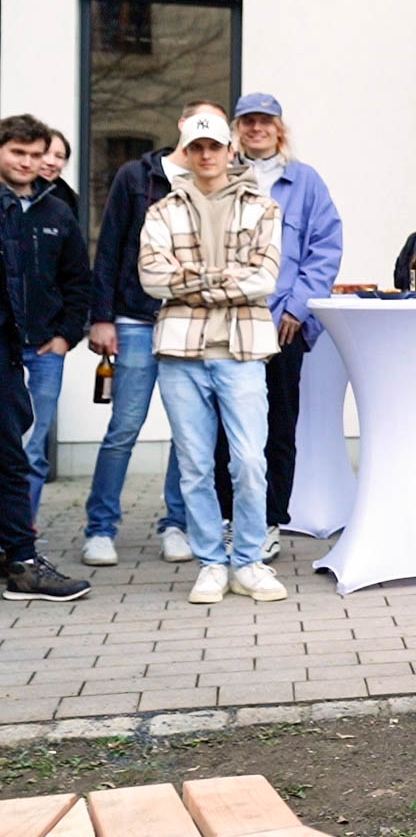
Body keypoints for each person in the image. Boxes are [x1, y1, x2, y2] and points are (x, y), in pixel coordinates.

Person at [139, 109, 287, 604]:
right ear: (185, 152)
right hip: (180, 352)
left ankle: (247, 560)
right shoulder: (161, 212)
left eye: (214, 147)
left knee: (249, 461)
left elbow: (264, 279)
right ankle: (210, 562)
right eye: (196, 148)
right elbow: (152, 279)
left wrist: (192, 281)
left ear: (229, 150)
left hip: (242, 349)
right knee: (195, 466)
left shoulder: (262, 208)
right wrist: (223, 279)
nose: (206, 156)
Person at [207, 93, 342, 562]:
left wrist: (297, 309)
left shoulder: (305, 182)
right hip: (229, 323)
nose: (256, 129)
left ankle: (268, 523)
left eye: (265, 122)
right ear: (237, 130)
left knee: (278, 426)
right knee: (227, 428)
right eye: (248, 122)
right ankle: (228, 519)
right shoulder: (221, 177)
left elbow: (325, 248)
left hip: (282, 326)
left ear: (279, 129)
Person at [85, 104, 205, 565]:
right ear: (182, 126)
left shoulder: (213, 182)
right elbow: (111, 244)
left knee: (187, 432)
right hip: (135, 320)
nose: (204, 145)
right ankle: (99, 529)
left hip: (188, 322)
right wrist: (102, 316)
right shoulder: (137, 176)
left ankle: (175, 525)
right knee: (124, 428)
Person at [0, 119, 89, 601]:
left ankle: (21, 552)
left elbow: (78, 276)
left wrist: (64, 335)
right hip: (9, 347)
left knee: (23, 453)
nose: (29, 163)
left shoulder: (57, 208)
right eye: (19, 152)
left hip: (33, 349)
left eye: (37, 155)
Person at [40, 129, 78, 214]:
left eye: (59, 156)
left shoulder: (73, 201)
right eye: (45, 153)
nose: (51, 162)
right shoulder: (12, 195)